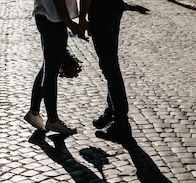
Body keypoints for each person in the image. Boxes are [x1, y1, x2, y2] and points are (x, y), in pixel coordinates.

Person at [24, 0, 84, 135]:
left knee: (48, 66)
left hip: (48, 16)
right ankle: (52, 119)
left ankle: (34, 111)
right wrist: (69, 22)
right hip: (53, 18)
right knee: (51, 71)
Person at [80, 0, 132, 139]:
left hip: (101, 11)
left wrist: (82, 17)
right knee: (110, 62)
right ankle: (111, 112)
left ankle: (121, 121)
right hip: (114, 8)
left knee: (110, 67)